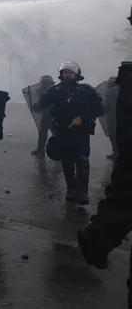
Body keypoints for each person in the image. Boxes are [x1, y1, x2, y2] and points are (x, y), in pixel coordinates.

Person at [77, 61, 132, 309]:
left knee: (81, 163)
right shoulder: (58, 90)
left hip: (79, 136)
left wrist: (99, 236)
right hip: (64, 133)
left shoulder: (87, 90)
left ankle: (79, 191)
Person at [40, 61, 103, 205]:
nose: (68, 75)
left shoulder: (86, 90)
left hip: (81, 131)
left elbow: (99, 109)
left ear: (77, 74)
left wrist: (82, 117)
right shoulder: (56, 90)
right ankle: (71, 189)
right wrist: (48, 91)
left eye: (71, 72)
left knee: (82, 160)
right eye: (65, 72)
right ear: (61, 74)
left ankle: (82, 193)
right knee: (67, 161)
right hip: (63, 130)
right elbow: (43, 103)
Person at [31, 75, 55, 157]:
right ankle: (62, 150)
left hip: (48, 115)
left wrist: (37, 107)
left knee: (43, 133)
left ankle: (40, 150)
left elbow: (44, 103)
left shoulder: (47, 91)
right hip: (54, 115)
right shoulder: (56, 89)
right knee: (56, 133)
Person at [104, 76, 119, 160]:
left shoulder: (109, 91)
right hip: (120, 116)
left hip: (112, 116)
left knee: (113, 134)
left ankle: (117, 152)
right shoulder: (123, 88)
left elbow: (107, 104)